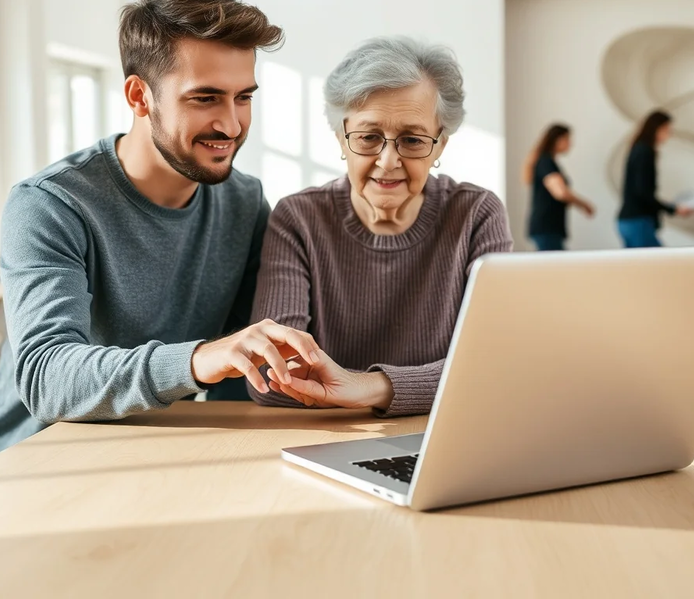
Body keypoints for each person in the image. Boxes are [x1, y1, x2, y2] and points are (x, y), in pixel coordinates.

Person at [0, 0, 321, 461]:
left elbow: (244, 362)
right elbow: (45, 376)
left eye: (243, 97)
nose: (232, 125)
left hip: (157, 446)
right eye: (205, 98)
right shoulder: (51, 204)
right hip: (34, 458)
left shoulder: (244, 201)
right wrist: (197, 360)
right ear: (140, 96)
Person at [246, 36, 513, 415]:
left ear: (440, 145)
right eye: (369, 137)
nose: (388, 161)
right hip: (323, 437)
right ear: (341, 138)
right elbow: (269, 375)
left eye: (412, 139)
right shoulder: (299, 219)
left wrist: (371, 387)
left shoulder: (476, 214)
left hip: (444, 432)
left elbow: (498, 364)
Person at [617, 110, 694, 248]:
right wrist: (673, 209)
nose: (669, 134)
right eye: (667, 130)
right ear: (658, 128)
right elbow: (643, 192)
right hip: (637, 221)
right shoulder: (644, 152)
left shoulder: (638, 149)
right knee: (659, 261)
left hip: (630, 221)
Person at [523, 123, 594, 251]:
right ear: (556, 140)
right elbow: (560, 192)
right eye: (567, 139)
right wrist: (583, 205)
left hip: (549, 228)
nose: (570, 143)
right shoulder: (546, 162)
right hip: (547, 227)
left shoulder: (547, 161)